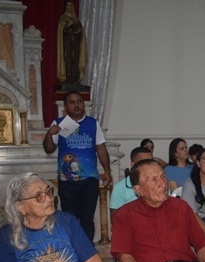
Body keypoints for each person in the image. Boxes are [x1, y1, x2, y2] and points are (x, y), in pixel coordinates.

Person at [43, 91, 112, 242]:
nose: (76, 105)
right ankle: (74, 249)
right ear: (65, 107)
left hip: (89, 178)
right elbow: (49, 149)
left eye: (79, 101)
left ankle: (87, 249)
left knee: (87, 217)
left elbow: (101, 148)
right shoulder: (60, 124)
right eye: (72, 102)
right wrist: (49, 134)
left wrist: (107, 171)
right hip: (67, 180)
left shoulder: (92, 123)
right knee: (70, 218)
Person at [110, 147, 154, 218]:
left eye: (151, 162)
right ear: (133, 165)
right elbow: (116, 219)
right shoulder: (120, 188)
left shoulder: (160, 184)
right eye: (144, 163)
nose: (150, 166)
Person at [56, 1, 86, 84]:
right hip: (67, 43)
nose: (69, 7)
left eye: (71, 5)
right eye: (68, 5)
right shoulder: (63, 18)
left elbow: (81, 31)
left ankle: (75, 77)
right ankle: (68, 77)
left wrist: (79, 31)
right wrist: (68, 26)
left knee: (75, 59)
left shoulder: (76, 19)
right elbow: (61, 30)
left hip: (75, 43)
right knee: (67, 59)